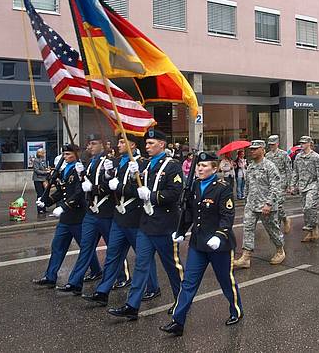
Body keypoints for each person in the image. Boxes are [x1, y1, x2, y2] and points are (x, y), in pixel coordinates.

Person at [161, 151, 243, 336]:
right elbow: (190, 213)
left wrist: (219, 236)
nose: (199, 168)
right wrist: (181, 231)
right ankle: (177, 321)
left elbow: (227, 215)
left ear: (214, 169)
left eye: (204, 166)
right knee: (188, 283)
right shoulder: (194, 186)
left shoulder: (222, 187)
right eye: (198, 165)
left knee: (226, 280)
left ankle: (236, 310)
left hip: (219, 246)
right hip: (198, 244)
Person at [108, 128, 184, 321]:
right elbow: (137, 190)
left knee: (172, 267)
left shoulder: (172, 166)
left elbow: (175, 193)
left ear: (162, 144)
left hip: (165, 224)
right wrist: (132, 178)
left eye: (151, 143)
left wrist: (152, 196)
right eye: (147, 143)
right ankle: (132, 306)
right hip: (146, 223)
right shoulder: (147, 165)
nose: (147, 146)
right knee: (141, 264)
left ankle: (181, 302)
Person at [82, 135, 160, 306]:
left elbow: (141, 191)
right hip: (118, 217)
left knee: (142, 256)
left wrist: (125, 182)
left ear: (132, 145)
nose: (118, 145)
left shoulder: (143, 163)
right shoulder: (116, 162)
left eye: (122, 142)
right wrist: (107, 174)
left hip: (134, 217)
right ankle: (103, 291)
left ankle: (153, 287)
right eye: (118, 142)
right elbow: (107, 186)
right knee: (112, 255)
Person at [56, 134, 128, 295]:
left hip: (106, 212)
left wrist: (95, 186)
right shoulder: (89, 162)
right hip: (91, 213)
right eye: (88, 144)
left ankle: (122, 276)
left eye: (93, 143)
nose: (89, 147)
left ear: (103, 144)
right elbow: (85, 184)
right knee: (86, 248)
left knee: (113, 248)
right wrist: (81, 176)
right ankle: (75, 282)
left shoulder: (111, 162)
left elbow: (111, 186)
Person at [32, 144, 102, 289]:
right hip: (65, 218)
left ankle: (96, 270)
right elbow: (61, 192)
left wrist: (64, 207)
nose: (65, 157)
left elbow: (79, 193)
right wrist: (46, 201)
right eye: (64, 154)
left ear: (76, 154)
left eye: (68, 154)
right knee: (57, 246)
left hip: (78, 216)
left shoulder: (80, 170)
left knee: (85, 247)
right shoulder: (65, 170)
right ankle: (50, 276)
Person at [233, 140, 284, 269]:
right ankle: (246, 257)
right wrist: (246, 200)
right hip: (252, 204)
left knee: (272, 230)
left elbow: (276, 187)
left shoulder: (270, 166)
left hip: (266, 206)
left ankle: (280, 250)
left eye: (255, 149)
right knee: (247, 228)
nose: (252, 151)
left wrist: (269, 203)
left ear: (262, 149)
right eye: (251, 149)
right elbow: (247, 185)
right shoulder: (250, 167)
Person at [290, 136, 319, 243]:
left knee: (309, 206)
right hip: (302, 186)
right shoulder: (298, 157)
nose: (302, 145)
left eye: (304, 143)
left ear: (309, 143)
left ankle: (312, 226)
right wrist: (292, 185)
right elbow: (295, 172)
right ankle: (311, 231)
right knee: (306, 209)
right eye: (301, 143)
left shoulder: (316, 157)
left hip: (313, 185)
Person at [265, 135, 293, 234]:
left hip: (282, 182)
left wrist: (290, 185)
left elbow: (289, 170)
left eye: (273, 144)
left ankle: (283, 222)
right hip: (271, 183)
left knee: (279, 204)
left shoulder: (284, 154)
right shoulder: (267, 156)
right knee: (273, 206)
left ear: (277, 144)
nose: (271, 146)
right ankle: (283, 221)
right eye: (270, 145)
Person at [32, 149, 50, 214]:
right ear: (40, 153)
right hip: (38, 180)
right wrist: (45, 172)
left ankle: (43, 207)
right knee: (40, 194)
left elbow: (44, 168)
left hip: (44, 179)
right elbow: (36, 170)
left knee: (44, 194)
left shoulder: (43, 160)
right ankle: (40, 209)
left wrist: (47, 169)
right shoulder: (36, 160)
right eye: (43, 153)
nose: (44, 154)